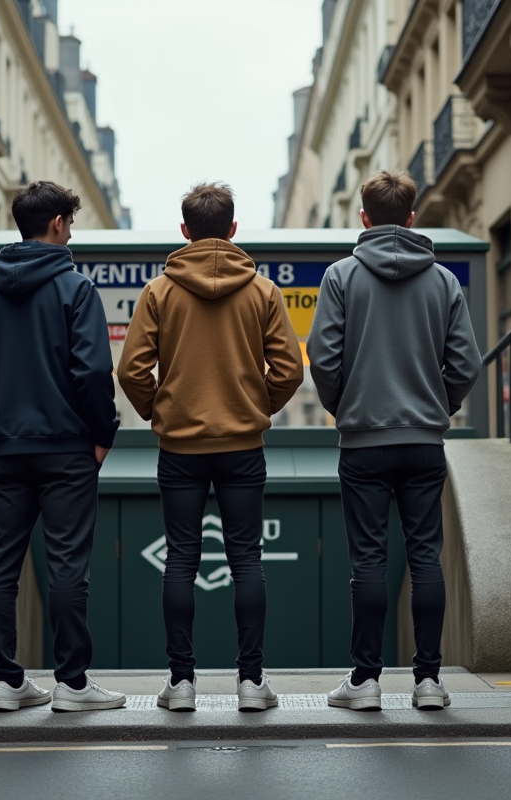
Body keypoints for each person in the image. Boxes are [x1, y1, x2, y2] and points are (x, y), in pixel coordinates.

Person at [118, 183, 304, 712]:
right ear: (233, 229)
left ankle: (181, 684)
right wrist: (256, 406)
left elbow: (131, 371)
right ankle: (251, 683)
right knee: (247, 559)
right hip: (243, 445)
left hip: (179, 447)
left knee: (181, 559)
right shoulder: (263, 291)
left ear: (184, 230)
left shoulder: (159, 291)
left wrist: (160, 411)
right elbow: (289, 370)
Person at [0, 180, 124, 713]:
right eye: (71, 223)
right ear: (58, 224)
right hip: (68, 449)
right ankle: (72, 685)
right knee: (67, 565)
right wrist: (102, 435)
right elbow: (93, 371)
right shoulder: (76, 288)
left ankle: (7, 681)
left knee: (3, 563)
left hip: (8, 450)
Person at [308, 170, 482, 711]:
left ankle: (365, 681)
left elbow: (324, 360)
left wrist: (347, 409)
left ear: (364, 217)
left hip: (362, 442)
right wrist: (436, 408)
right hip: (424, 442)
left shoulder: (341, 276)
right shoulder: (443, 281)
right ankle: (428, 682)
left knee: (368, 561)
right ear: (411, 217)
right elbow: (466, 364)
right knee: (426, 557)